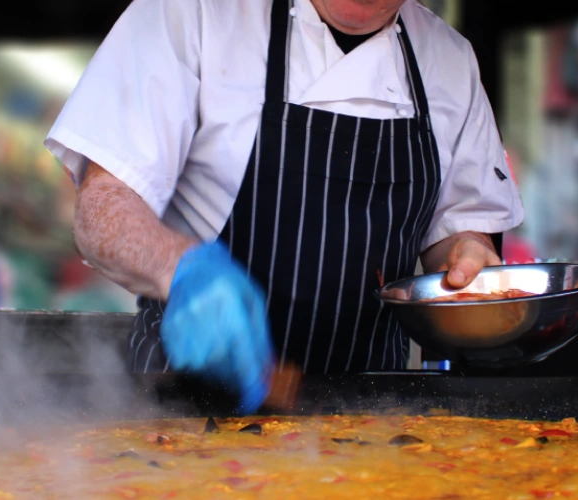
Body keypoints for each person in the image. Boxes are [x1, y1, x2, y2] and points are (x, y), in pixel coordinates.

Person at [45, 0, 523, 411]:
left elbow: (457, 232)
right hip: (176, 414)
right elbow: (102, 207)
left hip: (375, 430)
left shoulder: (451, 62)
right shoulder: (192, 13)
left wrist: (468, 255)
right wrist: (181, 268)